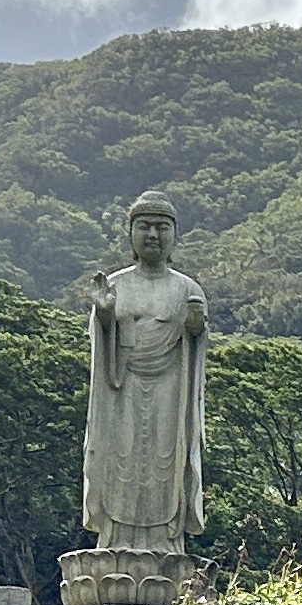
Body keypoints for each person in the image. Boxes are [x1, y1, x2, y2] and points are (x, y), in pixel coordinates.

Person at [81, 190, 205, 557]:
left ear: (174, 236)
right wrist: (104, 316)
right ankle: (114, 540)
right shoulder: (116, 285)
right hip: (122, 385)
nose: (153, 235)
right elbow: (102, 342)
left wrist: (196, 329)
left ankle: (167, 543)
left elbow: (196, 347)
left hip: (170, 386)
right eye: (145, 227)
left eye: (161, 227)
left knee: (166, 460)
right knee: (120, 457)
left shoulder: (187, 289)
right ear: (131, 235)